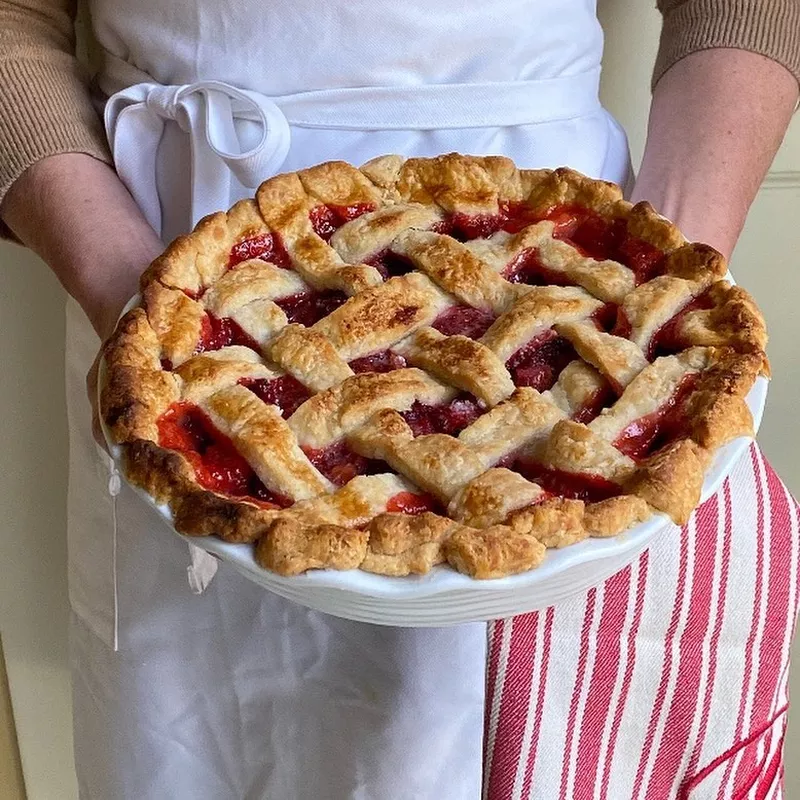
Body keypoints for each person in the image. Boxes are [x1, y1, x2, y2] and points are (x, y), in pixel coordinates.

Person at [1, 1, 798, 797]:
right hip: (185, 296)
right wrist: (139, 305)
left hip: (563, 278)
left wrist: (664, 293)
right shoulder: (173, 329)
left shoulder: (617, 309)